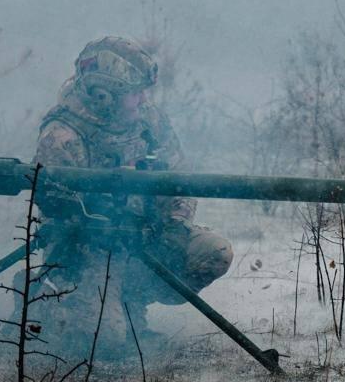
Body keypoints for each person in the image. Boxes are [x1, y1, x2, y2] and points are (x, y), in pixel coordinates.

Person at [29, 36, 233, 356]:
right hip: (89, 251)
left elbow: (178, 175)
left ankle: (132, 303)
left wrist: (172, 221)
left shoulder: (147, 120)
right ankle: (55, 305)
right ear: (104, 94)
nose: (142, 99)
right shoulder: (63, 135)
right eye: (135, 93)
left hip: (146, 234)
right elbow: (57, 213)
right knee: (104, 340)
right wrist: (103, 225)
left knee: (214, 252)